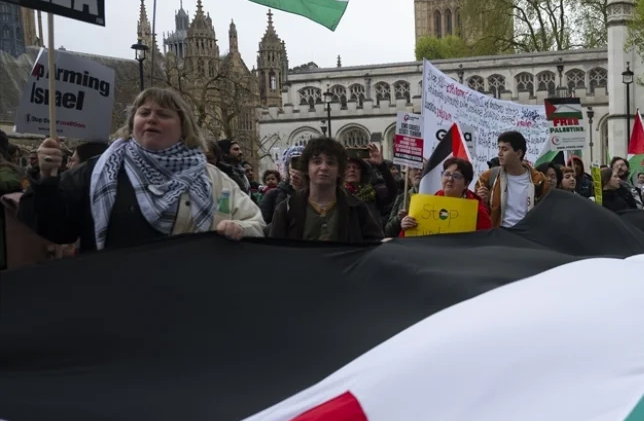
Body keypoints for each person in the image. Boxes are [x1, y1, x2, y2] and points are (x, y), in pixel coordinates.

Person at [20, 87, 264, 252]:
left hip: (182, 302)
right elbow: (56, 230)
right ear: (132, 122)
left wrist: (238, 229)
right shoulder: (97, 171)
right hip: (112, 300)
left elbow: (254, 222)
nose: (151, 119)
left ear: (184, 127)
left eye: (163, 114)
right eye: (144, 113)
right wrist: (47, 179)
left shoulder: (213, 179)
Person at [269, 137, 383, 242]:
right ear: (307, 168)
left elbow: (373, 248)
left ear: (339, 171)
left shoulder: (357, 209)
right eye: (317, 162)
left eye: (331, 162)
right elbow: (275, 253)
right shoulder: (287, 209)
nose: (323, 167)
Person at [390, 156, 491, 236]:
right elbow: (410, 238)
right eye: (446, 174)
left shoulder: (477, 210)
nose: (450, 179)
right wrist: (405, 227)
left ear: (466, 183)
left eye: (456, 176)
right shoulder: (427, 205)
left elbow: (486, 240)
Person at [475, 131, 551, 227]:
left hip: (527, 237)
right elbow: (478, 214)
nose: (499, 153)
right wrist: (481, 200)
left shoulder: (539, 181)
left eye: (504, 149)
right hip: (499, 237)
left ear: (518, 153)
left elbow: (547, 213)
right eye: (499, 148)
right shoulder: (488, 177)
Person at [261, 147, 303, 224]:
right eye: (294, 163)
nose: (297, 169)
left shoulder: (315, 194)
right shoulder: (272, 195)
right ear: (286, 167)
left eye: (300, 163)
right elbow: (263, 225)